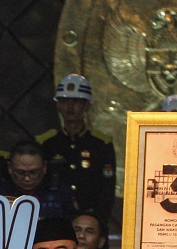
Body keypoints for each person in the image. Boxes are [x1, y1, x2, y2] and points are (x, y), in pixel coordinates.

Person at [37, 75, 117, 222]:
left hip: (91, 218)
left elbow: (107, 189)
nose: (70, 106)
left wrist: (98, 219)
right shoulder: (47, 143)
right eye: (64, 101)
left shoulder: (101, 144)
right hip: (56, 217)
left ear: (87, 106)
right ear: (57, 105)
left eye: (76, 102)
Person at [0, 141, 77, 220]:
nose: (27, 178)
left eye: (34, 172)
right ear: (10, 168)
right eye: (20, 172)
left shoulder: (60, 192)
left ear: (44, 167)